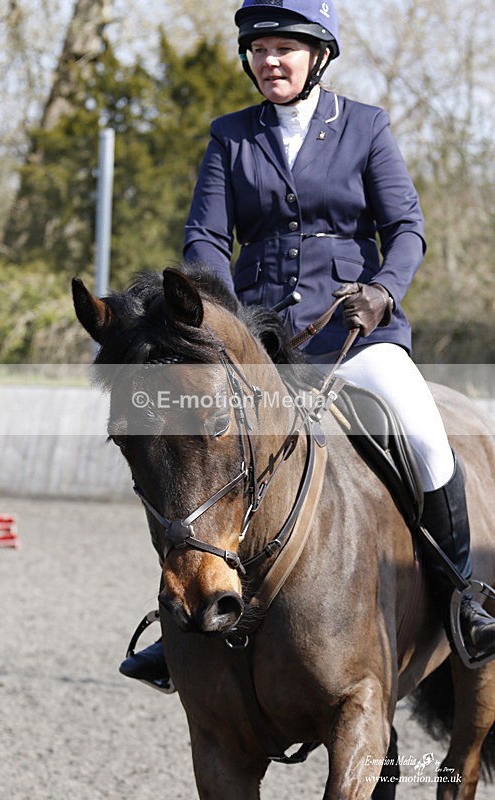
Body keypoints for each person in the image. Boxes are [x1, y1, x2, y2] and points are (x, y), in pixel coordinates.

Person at [120, 0, 495, 687]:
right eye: (259, 50)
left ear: (317, 55)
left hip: (358, 336)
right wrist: (221, 319)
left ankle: (464, 595)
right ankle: (178, 617)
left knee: (420, 428)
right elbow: (204, 237)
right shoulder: (229, 136)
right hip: (263, 347)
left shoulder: (364, 127)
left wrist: (381, 290)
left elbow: (405, 228)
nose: (270, 61)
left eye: (284, 48)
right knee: (189, 450)